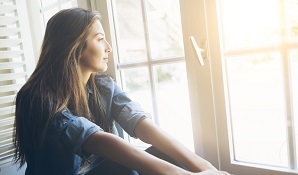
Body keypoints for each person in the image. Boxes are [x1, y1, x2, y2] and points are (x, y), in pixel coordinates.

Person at [13, 7, 230, 175]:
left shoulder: (101, 86)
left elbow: (142, 124)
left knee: (164, 156)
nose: (108, 47)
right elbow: (94, 139)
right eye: (99, 39)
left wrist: (205, 167)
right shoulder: (35, 97)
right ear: (74, 46)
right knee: (121, 169)